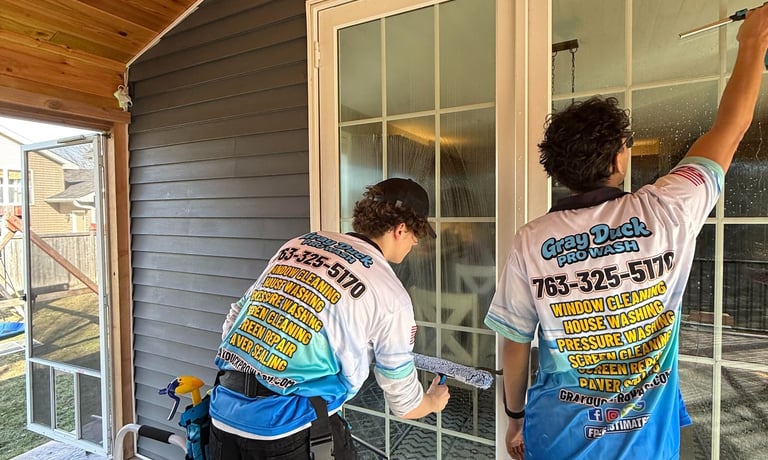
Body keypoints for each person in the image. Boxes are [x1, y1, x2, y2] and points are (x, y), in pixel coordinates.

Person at [484, 6, 768, 460]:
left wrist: (514, 418)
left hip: (556, 435)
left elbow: (516, 344)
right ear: (618, 162)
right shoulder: (666, 210)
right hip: (645, 444)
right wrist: (753, 42)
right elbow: (729, 132)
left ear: (557, 170)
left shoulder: (530, 239)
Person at [209, 177, 450, 459]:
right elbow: (404, 401)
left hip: (224, 412)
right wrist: (432, 402)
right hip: (289, 433)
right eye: (415, 234)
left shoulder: (300, 244)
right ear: (401, 229)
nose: (416, 242)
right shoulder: (390, 293)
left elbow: (236, 317)